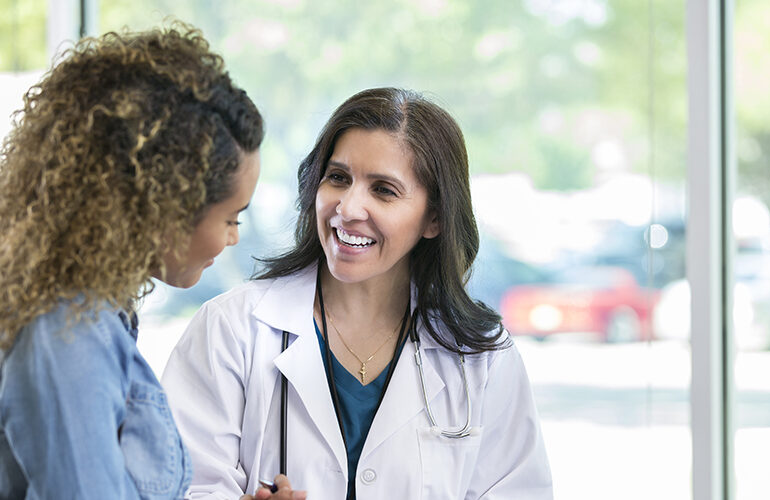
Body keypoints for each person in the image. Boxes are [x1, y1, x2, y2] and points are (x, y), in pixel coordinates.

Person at [161, 87, 553, 499]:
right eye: (338, 178)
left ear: (433, 218)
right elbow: (179, 485)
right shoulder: (231, 330)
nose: (347, 208)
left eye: (383, 189)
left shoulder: (481, 357)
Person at [0, 22, 301, 500]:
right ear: (163, 207)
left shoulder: (98, 315)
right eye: (229, 218)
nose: (233, 238)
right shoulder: (66, 336)